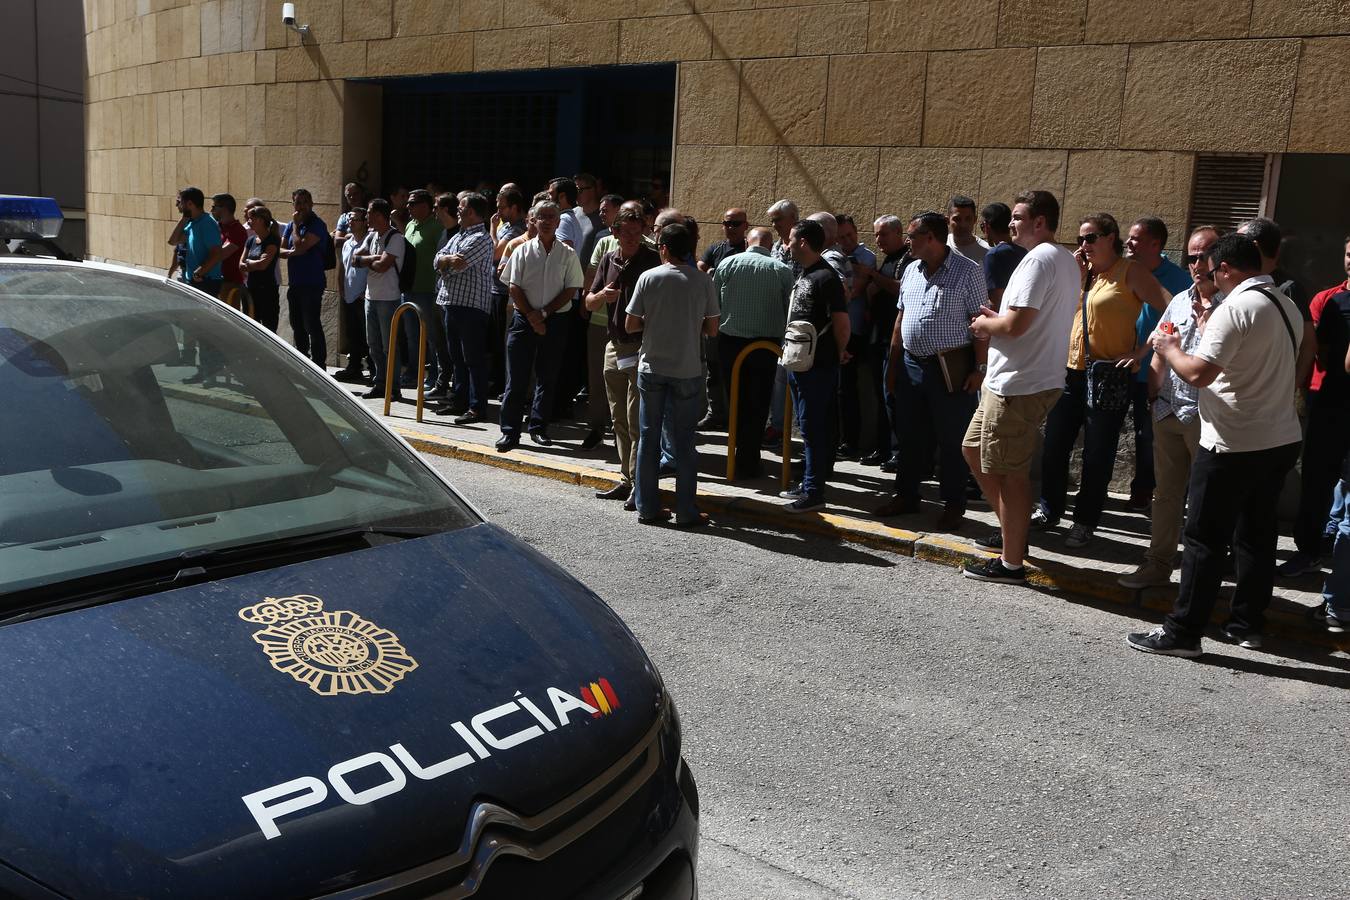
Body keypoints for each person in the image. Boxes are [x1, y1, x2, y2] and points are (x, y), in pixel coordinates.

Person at [1127, 233, 1303, 657]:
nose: (1210, 277)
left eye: (1213, 270)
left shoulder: (1236, 307)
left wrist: (1169, 348)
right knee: (1257, 537)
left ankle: (1183, 631)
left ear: (1225, 269)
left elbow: (1197, 374)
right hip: (1278, 439)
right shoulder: (1286, 304)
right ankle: (1246, 624)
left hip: (1232, 442)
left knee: (1204, 537)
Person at [962, 190, 1081, 585]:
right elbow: (1027, 319)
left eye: (1018, 216)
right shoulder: (1062, 259)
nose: (1011, 223)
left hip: (1019, 382)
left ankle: (1012, 562)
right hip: (1017, 378)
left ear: (1040, 222)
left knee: (1010, 472)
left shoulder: (1037, 260)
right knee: (973, 449)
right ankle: (1014, 535)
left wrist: (984, 326)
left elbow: (1014, 326)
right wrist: (1001, 320)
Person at [1034, 212, 1168, 549]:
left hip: (1108, 374)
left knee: (1097, 453)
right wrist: (1076, 278)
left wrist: (1141, 352)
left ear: (1111, 238)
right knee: (1054, 447)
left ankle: (1084, 521)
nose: (1084, 245)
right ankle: (1049, 509)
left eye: (1090, 237)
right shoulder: (1081, 273)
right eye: (1080, 239)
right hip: (1068, 372)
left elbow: (1171, 310)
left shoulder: (1130, 272)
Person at [1119, 226, 1224, 589]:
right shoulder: (1179, 300)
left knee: (1205, 502)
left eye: (1205, 255)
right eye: (1192, 257)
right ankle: (1157, 564)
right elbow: (1158, 348)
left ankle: (1198, 577)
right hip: (1166, 410)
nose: (1198, 264)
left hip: (1207, 418)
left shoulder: (1232, 305)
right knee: (1165, 496)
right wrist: (1152, 396)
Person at [877, 211, 987, 529]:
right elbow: (901, 320)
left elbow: (979, 324)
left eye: (912, 236)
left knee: (951, 439)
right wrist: (892, 364)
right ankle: (906, 495)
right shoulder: (911, 269)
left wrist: (980, 368)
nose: (908, 241)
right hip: (912, 364)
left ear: (931, 238)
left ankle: (954, 504)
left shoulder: (968, 272)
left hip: (949, 367)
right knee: (910, 436)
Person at [624, 222, 720, 527]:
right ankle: (686, 510)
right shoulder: (703, 281)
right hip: (687, 368)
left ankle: (647, 507)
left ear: (664, 248)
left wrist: (654, 322)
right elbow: (712, 328)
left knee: (649, 438)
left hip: (652, 367)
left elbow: (630, 324)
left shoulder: (649, 277)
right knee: (684, 441)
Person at [1281, 234, 1350, 577]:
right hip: (1327, 400)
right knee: (1317, 479)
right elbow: (1310, 346)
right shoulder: (1328, 298)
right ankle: (1308, 549)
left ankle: (1337, 551)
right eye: (1349, 254)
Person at [497, 200, 584, 452]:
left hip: (555, 320)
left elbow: (571, 289)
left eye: (551, 217)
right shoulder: (522, 251)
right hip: (524, 319)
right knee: (516, 378)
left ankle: (538, 428)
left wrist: (545, 313)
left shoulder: (567, 254)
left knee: (548, 377)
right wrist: (533, 316)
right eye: (541, 216)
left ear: (558, 222)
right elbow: (513, 285)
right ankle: (510, 432)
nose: (546, 221)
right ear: (533, 221)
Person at [589, 208, 663, 506]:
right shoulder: (609, 258)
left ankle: (638, 482)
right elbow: (589, 302)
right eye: (627, 232)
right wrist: (602, 296)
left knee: (635, 419)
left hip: (641, 345)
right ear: (615, 233)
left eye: (638, 232)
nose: (632, 238)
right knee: (617, 416)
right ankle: (627, 477)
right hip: (614, 345)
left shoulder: (652, 259)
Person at [713, 226, 795, 480]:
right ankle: (749, 458)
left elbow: (714, 301)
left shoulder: (728, 264)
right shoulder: (782, 270)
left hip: (731, 342)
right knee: (758, 402)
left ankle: (737, 455)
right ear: (770, 245)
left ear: (748, 241)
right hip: (766, 345)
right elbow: (788, 308)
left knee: (735, 399)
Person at [1123, 216, 1191, 510]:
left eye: (1135, 239)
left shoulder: (1179, 281)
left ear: (1155, 244)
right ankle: (1140, 490)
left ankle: (1149, 492)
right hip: (1119, 367)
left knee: (1148, 436)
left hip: (1154, 374)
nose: (1129, 243)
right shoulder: (1123, 272)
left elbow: (1179, 328)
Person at [781, 219, 850, 513]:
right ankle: (809, 481)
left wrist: (839, 351)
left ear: (803, 243)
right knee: (808, 427)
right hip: (799, 363)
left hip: (818, 366)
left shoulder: (826, 277)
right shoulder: (806, 273)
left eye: (791, 239)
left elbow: (841, 321)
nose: (786, 244)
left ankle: (814, 491)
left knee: (814, 428)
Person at [432, 192, 495, 425]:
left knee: (473, 358)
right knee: (456, 357)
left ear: (471, 212)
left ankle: (477, 407)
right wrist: (446, 261)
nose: (457, 209)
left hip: (471, 307)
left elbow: (457, 266)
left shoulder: (481, 238)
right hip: (450, 303)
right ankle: (459, 400)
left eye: (461, 206)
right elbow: (437, 260)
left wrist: (444, 264)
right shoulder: (459, 235)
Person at [855, 215, 912, 468]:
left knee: (894, 397)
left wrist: (871, 276)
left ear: (899, 233)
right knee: (881, 396)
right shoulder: (888, 259)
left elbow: (900, 288)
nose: (878, 240)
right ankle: (883, 448)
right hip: (878, 335)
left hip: (895, 339)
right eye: (876, 235)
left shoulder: (907, 259)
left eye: (883, 235)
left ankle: (900, 453)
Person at [351, 199, 409, 402]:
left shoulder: (396, 238)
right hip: (370, 297)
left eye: (368, 213)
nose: (366, 217)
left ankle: (394, 387)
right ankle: (380, 383)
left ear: (378, 215)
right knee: (373, 344)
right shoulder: (371, 236)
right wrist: (372, 259)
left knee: (389, 345)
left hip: (388, 298)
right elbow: (354, 260)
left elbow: (383, 265)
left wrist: (369, 260)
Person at [401, 189, 451, 395]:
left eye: (413, 203)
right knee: (412, 336)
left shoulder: (437, 227)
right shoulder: (410, 225)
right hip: (409, 290)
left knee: (432, 337)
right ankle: (414, 373)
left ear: (425, 206)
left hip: (428, 291)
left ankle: (434, 377)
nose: (408, 207)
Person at [278, 188, 329, 368]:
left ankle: (319, 363)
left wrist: (295, 228)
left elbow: (300, 247)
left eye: (304, 202)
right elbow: (280, 250)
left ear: (311, 204)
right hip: (295, 282)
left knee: (311, 324)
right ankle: (302, 361)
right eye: (297, 203)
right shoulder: (291, 226)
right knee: (296, 324)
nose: (300, 207)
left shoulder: (317, 225)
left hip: (312, 283)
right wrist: (293, 250)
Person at [337, 204, 370, 386]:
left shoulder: (369, 242)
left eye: (355, 219)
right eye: (349, 218)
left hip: (362, 296)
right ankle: (354, 366)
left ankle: (373, 369)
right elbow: (343, 267)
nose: (350, 221)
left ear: (364, 222)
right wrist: (340, 286)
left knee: (368, 335)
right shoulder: (347, 243)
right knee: (352, 333)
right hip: (349, 295)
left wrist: (365, 290)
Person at [240, 205, 281, 332]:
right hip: (251, 290)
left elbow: (263, 265)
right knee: (251, 328)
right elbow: (241, 264)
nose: (248, 221)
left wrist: (249, 263)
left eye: (251, 218)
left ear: (260, 220)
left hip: (267, 291)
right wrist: (253, 263)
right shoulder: (250, 240)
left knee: (269, 328)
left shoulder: (273, 240)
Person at [979, 202, 1026, 309]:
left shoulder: (994, 255)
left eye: (982, 226)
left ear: (986, 226)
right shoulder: (1024, 251)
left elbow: (995, 301)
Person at [210, 192, 250, 318]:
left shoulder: (237, 230)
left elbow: (221, 255)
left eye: (214, 207)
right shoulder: (217, 227)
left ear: (225, 209)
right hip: (216, 281)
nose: (211, 210)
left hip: (230, 284)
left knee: (229, 321)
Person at [698, 208, 748, 274]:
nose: (731, 227)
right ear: (723, 226)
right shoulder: (716, 248)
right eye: (727, 223)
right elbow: (700, 267)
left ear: (746, 226)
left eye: (736, 224)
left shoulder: (750, 248)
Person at [947, 194, 989, 265]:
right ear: (947, 221)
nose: (963, 225)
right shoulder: (940, 246)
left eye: (968, 219)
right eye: (957, 219)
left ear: (975, 220)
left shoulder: (987, 253)